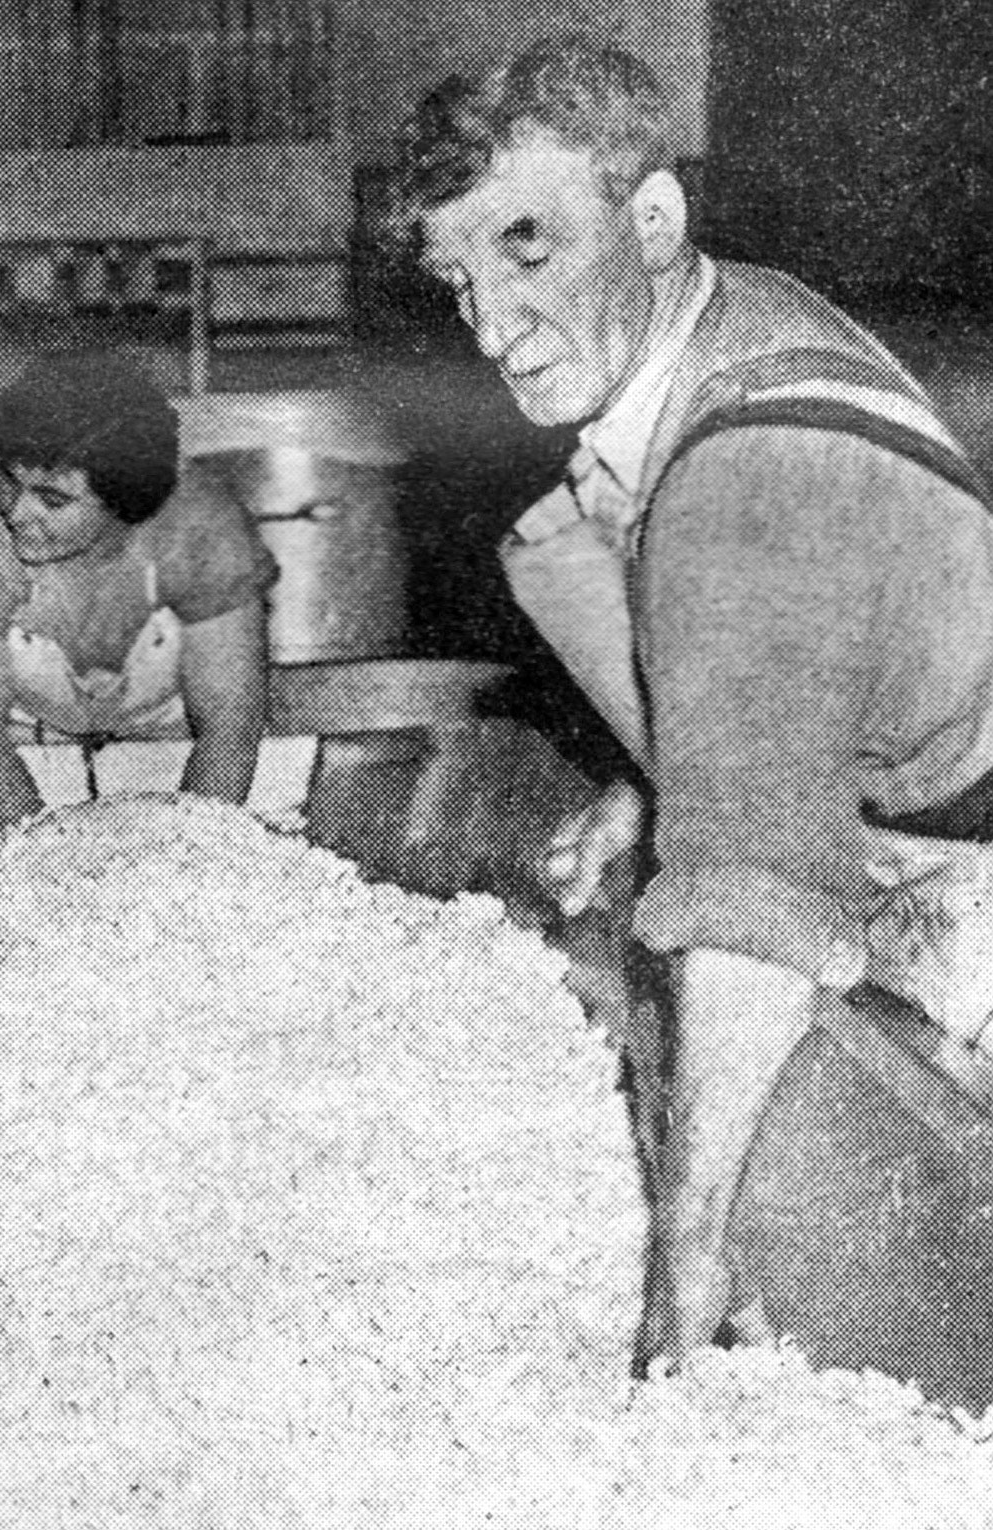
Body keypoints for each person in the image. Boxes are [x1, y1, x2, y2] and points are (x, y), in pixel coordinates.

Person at [386, 34, 993, 1371]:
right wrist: (663, 779)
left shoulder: (750, 462)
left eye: (530, 250)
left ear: (653, 219)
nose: (489, 325)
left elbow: (755, 906)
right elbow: (804, 655)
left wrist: (686, 1250)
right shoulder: (726, 322)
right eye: (460, 278)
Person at [0, 353, 275, 825]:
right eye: (12, 482)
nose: (18, 513)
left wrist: (194, 852)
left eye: (53, 499)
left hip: (170, 735)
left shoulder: (203, 520)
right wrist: (44, 861)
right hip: (17, 737)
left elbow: (229, 723)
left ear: (126, 502)